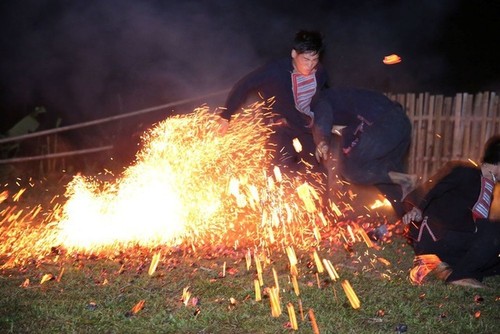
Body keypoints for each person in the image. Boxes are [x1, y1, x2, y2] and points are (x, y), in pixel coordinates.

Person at [218, 30, 330, 182]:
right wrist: (226, 116)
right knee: (280, 167)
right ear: (293, 54)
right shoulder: (275, 71)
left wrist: (325, 127)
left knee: (315, 169)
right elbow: (244, 85)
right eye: (306, 59)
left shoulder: (319, 72)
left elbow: (323, 100)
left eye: (314, 60)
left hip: (305, 126)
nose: (310, 65)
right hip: (280, 124)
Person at [402, 135, 500, 288]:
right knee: (495, 229)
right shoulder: (466, 171)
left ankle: (445, 268)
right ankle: (460, 275)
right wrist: (419, 209)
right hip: (439, 238)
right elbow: (434, 187)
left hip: (457, 242)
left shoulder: (490, 187)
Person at [312, 87, 416, 217]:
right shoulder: (350, 119)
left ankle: (406, 182)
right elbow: (348, 137)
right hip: (401, 124)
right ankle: (410, 217)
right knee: (385, 180)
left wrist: (322, 140)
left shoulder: (320, 100)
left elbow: (323, 113)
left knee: (350, 169)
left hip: (383, 123)